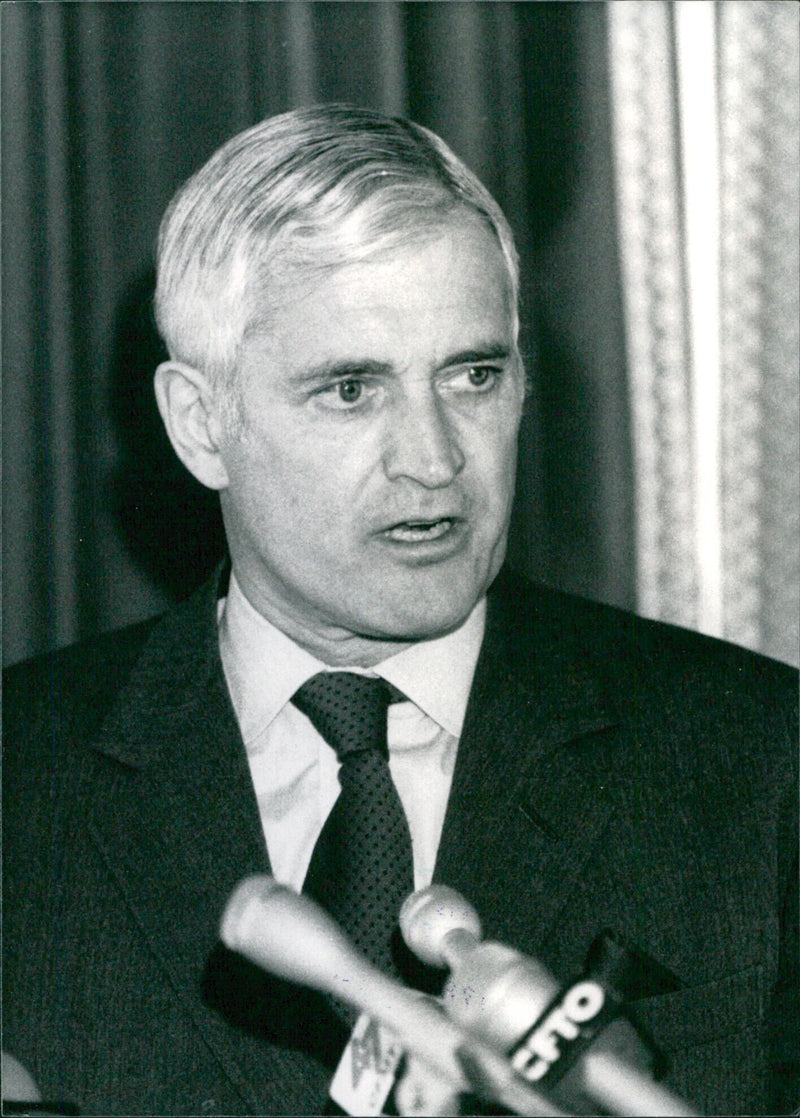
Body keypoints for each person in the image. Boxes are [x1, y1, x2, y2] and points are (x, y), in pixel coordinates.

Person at [3, 104, 797, 1117]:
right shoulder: (21, 779)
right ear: (200, 425)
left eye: (472, 374)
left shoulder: (758, 753)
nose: (432, 457)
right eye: (350, 388)